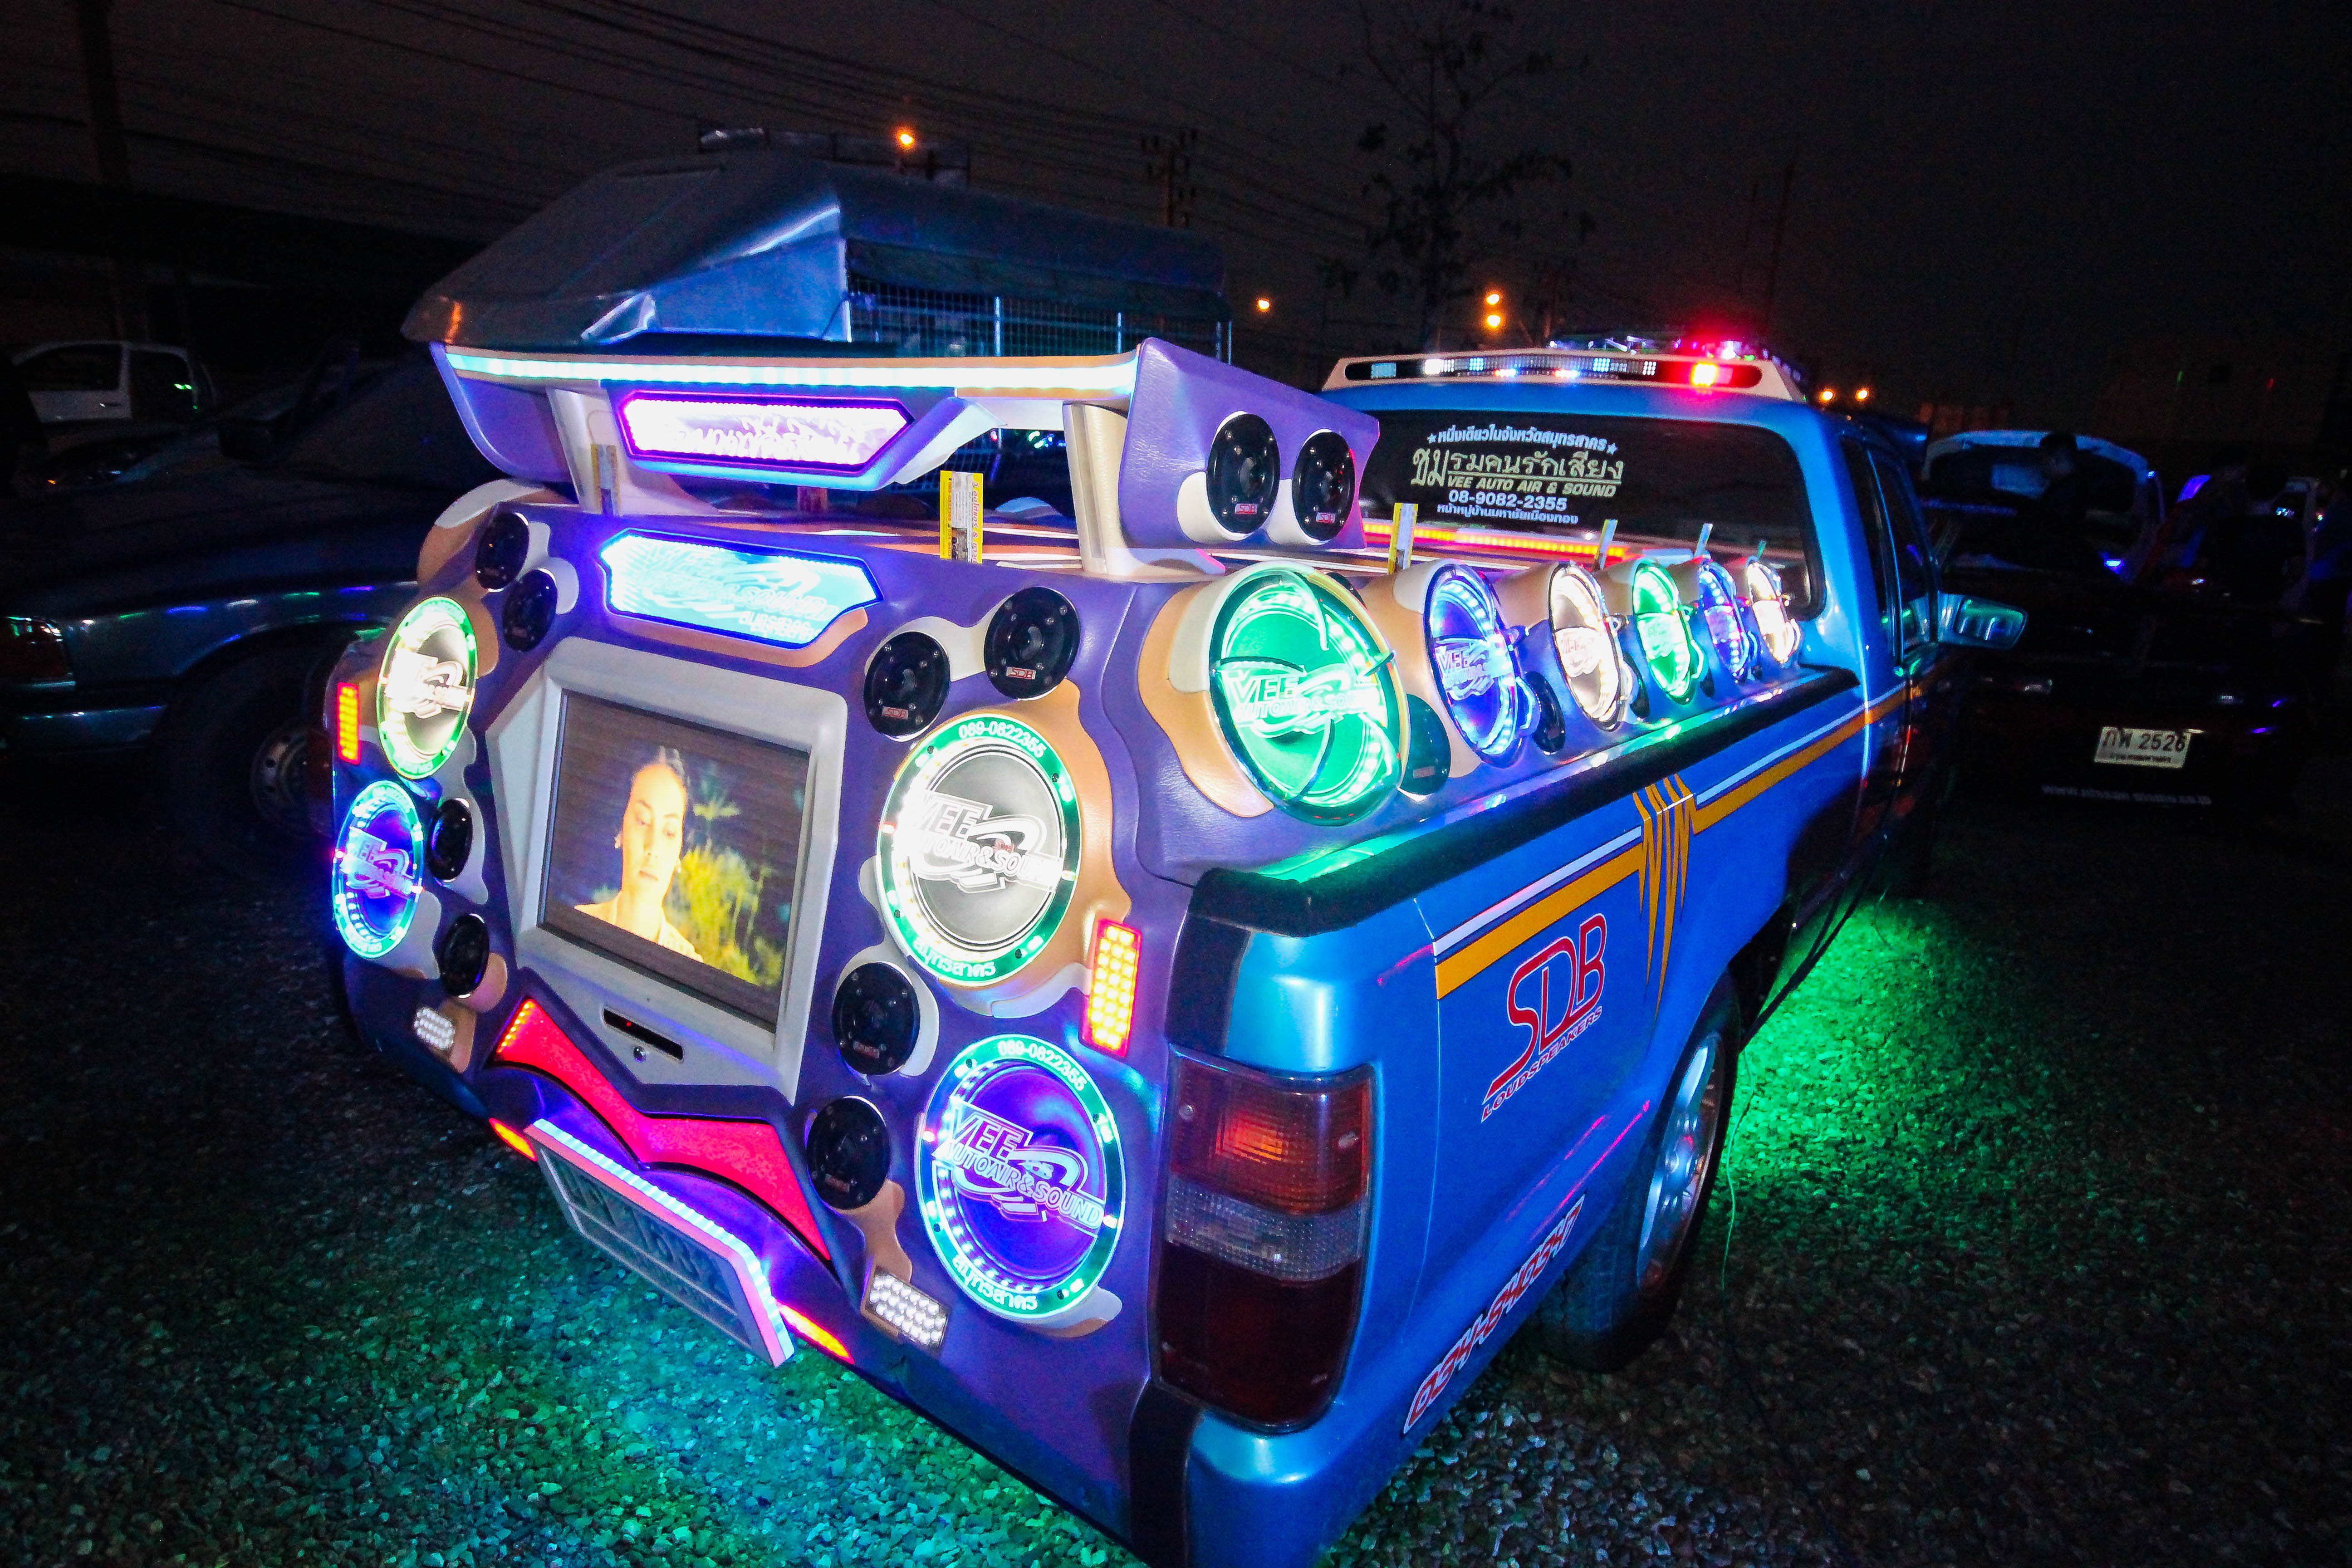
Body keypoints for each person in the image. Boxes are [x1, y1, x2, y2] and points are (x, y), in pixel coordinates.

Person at [576, 748, 704, 960]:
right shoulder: (577, 926)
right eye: (643, 822)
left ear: (680, 851)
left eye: (669, 832)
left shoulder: (690, 964)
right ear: (620, 830)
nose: (653, 847)